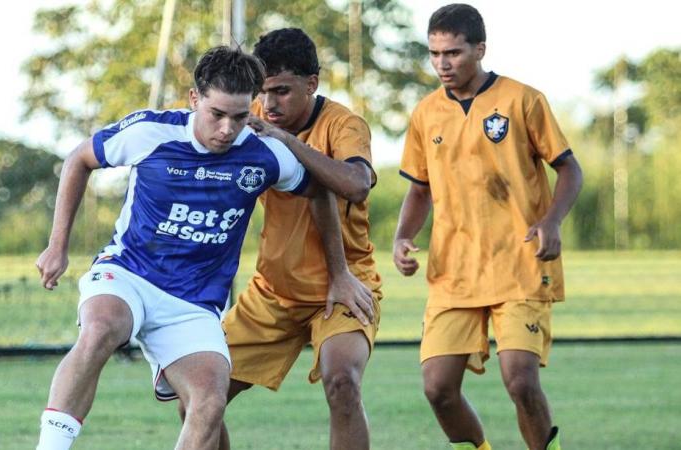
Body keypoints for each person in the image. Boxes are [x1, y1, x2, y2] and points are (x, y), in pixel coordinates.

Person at [33, 46, 324, 450]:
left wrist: (341, 273)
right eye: (217, 114)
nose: (227, 129)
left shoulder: (267, 154)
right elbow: (79, 159)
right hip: (130, 273)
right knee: (100, 329)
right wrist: (56, 246)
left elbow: (320, 192)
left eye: (240, 117)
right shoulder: (150, 132)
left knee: (208, 401)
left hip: (193, 304)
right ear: (194, 99)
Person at [393, 4, 583, 450]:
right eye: (435, 53)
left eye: (453, 53)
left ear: (480, 49)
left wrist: (551, 221)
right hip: (454, 270)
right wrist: (403, 236)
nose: (443, 63)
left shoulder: (522, 99)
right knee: (438, 389)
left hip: (519, 261)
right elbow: (420, 189)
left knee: (519, 379)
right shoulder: (426, 113)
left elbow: (570, 170)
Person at [214, 28, 382, 449]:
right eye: (263, 91)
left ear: (313, 83)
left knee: (342, 382)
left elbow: (357, 184)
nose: (269, 104)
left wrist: (288, 142)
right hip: (273, 292)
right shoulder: (245, 118)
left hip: (343, 287)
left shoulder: (343, 124)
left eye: (282, 91)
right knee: (199, 396)